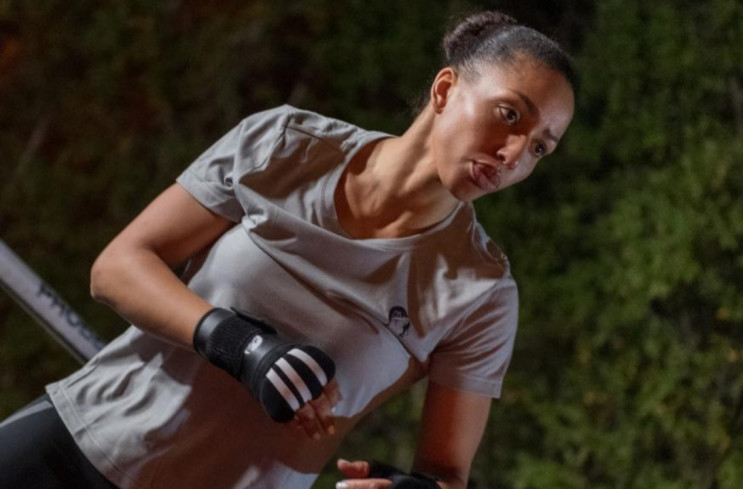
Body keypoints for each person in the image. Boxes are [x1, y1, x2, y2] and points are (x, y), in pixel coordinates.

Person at [0, 10, 576, 489]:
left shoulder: (481, 293)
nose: (514, 154)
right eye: (509, 114)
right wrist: (240, 344)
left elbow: (446, 473)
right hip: (80, 439)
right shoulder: (285, 144)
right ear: (446, 90)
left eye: (539, 148)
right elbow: (117, 269)